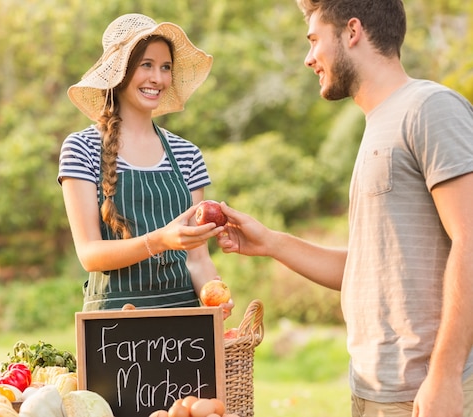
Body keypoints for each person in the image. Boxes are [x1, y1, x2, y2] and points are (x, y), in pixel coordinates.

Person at [217, 0, 473, 416]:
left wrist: (444, 376)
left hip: (427, 391)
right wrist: (271, 242)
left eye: (314, 40)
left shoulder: (429, 108)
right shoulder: (378, 123)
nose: (308, 58)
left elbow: (470, 240)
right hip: (374, 391)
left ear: (352, 31)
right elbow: (369, 270)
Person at [58, 13, 232, 316]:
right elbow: (89, 254)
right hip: (115, 327)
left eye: (166, 68)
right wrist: (160, 240)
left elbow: (197, 258)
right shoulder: (82, 148)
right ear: (120, 72)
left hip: (183, 325)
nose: (159, 78)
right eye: (146, 65)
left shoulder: (186, 153)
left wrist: (214, 297)